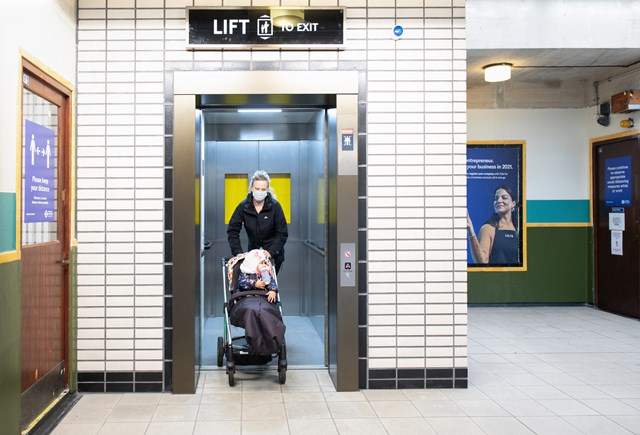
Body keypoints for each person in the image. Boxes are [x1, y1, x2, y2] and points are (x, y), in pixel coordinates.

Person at [227, 170, 288, 273]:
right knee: (254, 285)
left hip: (273, 256)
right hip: (253, 257)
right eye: (257, 188)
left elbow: (282, 233)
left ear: (267, 190)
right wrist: (238, 252)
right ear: (251, 188)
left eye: (263, 189)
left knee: (268, 285)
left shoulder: (275, 207)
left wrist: (270, 252)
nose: (260, 192)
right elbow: (232, 230)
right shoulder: (244, 207)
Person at [467, 185, 519, 264]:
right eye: (496, 198)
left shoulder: (519, 229)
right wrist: (471, 231)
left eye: (504, 197)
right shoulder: (488, 228)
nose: (499, 200)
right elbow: (482, 262)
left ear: (513, 203)